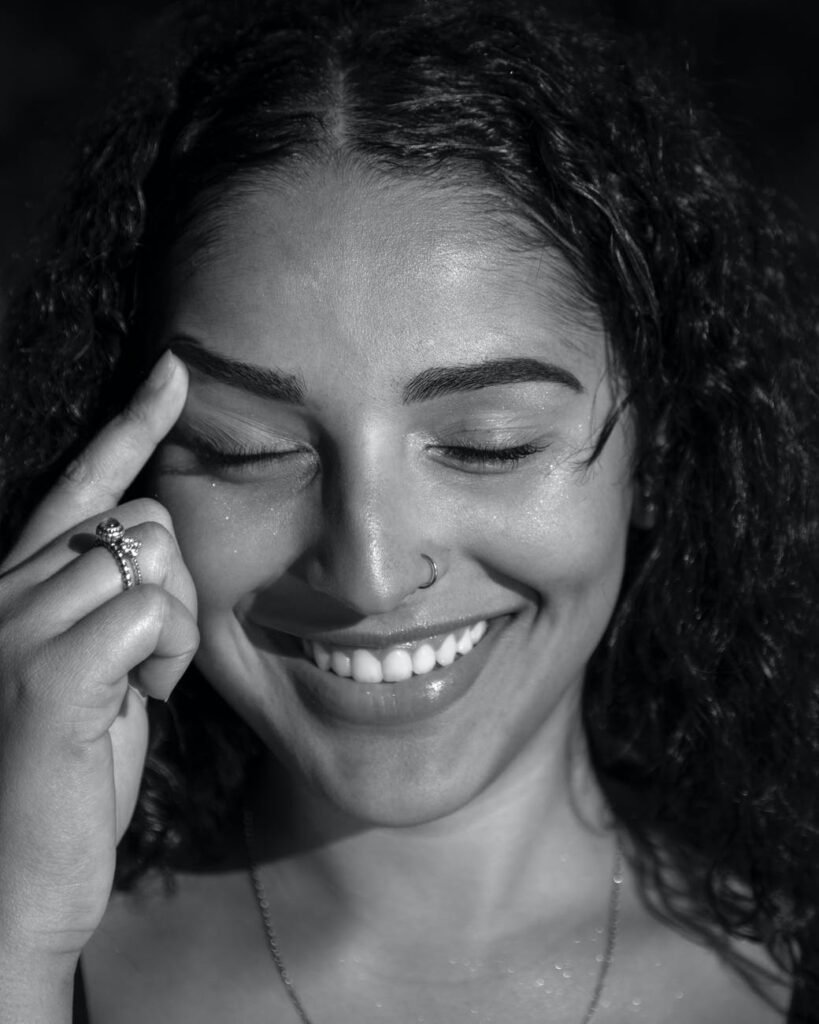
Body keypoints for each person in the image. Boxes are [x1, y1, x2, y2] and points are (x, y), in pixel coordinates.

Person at [0, 0, 817, 1020]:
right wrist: (19, 931)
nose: (371, 572)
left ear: (656, 451)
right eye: (244, 449)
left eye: (490, 444)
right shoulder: (40, 946)